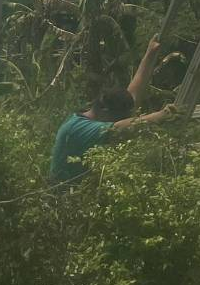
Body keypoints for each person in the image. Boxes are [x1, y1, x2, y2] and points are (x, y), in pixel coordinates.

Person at [49, 36, 174, 185]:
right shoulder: (78, 128)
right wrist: (160, 116)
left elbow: (133, 93)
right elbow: (118, 128)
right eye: (118, 117)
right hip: (64, 196)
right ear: (106, 111)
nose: (119, 120)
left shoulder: (97, 115)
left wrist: (150, 53)